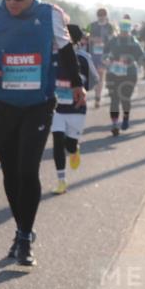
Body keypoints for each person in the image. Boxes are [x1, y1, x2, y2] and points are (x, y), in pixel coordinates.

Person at [0, 0, 85, 267]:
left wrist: (77, 85)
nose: (12, 3)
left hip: (38, 103)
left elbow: (67, 50)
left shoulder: (51, 14)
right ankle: (22, 230)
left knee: (27, 169)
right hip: (2, 104)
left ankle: (24, 236)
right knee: (10, 173)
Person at [51, 24, 98, 194]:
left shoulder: (84, 58)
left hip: (77, 109)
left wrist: (81, 89)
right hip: (57, 108)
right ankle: (61, 180)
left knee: (69, 145)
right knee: (57, 141)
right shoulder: (53, 56)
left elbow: (94, 80)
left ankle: (74, 149)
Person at [103, 16, 145, 135]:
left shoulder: (134, 42)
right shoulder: (113, 40)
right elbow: (104, 53)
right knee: (114, 99)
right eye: (122, 31)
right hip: (113, 74)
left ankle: (125, 118)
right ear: (119, 30)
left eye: (126, 31)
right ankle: (115, 124)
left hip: (129, 75)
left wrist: (131, 61)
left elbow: (141, 57)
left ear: (129, 30)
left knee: (125, 99)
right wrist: (107, 60)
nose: (124, 33)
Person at [88, 7, 116, 108]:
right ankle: (96, 92)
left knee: (100, 75)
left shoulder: (110, 26)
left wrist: (104, 41)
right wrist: (93, 39)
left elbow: (113, 39)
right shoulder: (91, 25)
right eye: (100, 15)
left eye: (103, 15)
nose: (101, 17)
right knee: (95, 76)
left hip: (105, 54)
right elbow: (85, 36)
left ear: (106, 16)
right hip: (93, 54)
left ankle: (97, 98)